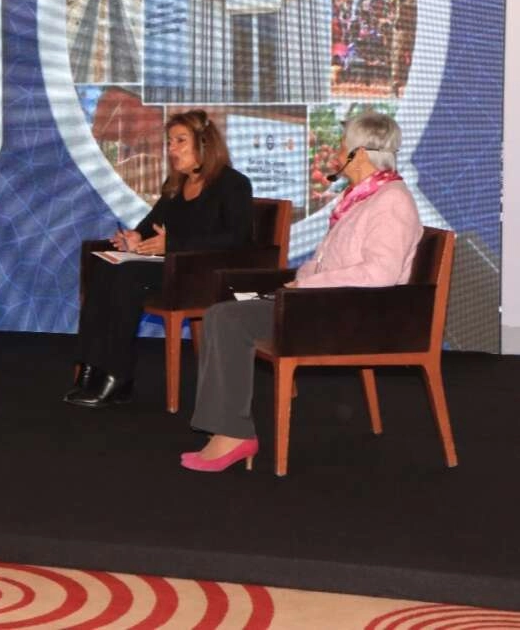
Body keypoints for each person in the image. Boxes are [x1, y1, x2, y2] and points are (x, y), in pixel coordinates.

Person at [184, 112, 421, 472]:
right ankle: (226, 428)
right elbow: (324, 262)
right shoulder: (362, 198)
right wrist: (296, 282)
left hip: (350, 316)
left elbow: (380, 274)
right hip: (323, 304)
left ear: (359, 154)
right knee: (224, 310)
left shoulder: (392, 202)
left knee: (227, 319)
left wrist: (306, 285)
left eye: (342, 146)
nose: (337, 153)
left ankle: (232, 433)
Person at [64, 109, 253, 408]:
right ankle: (92, 366)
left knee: (128, 275)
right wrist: (134, 239)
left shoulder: (233, 184)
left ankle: (118, 374)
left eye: (180, 141)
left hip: (205, 273)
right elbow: (150, 225)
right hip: (171, 267)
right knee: (105, 265)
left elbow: (236, 239)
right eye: (169, 142)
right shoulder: (176, 185)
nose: (171, 149)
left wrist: (172, 244)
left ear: (205, 143)